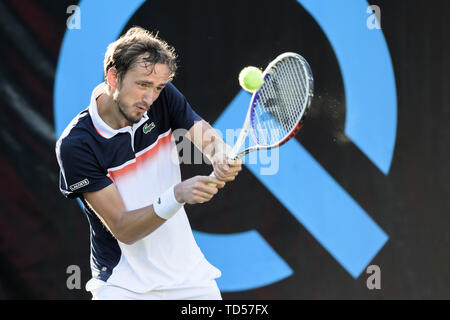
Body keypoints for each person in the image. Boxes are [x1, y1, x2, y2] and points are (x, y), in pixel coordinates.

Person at [55, 26, 242, 300]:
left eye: (158, 87)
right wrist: (176, 195)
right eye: (142, 84)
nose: (149, 98)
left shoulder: (161, 98)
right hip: (122, 285)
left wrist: (221, 156)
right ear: (113, 77)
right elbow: (123, 227)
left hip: (189, 279)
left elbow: (208, 140)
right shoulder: (77, 145)